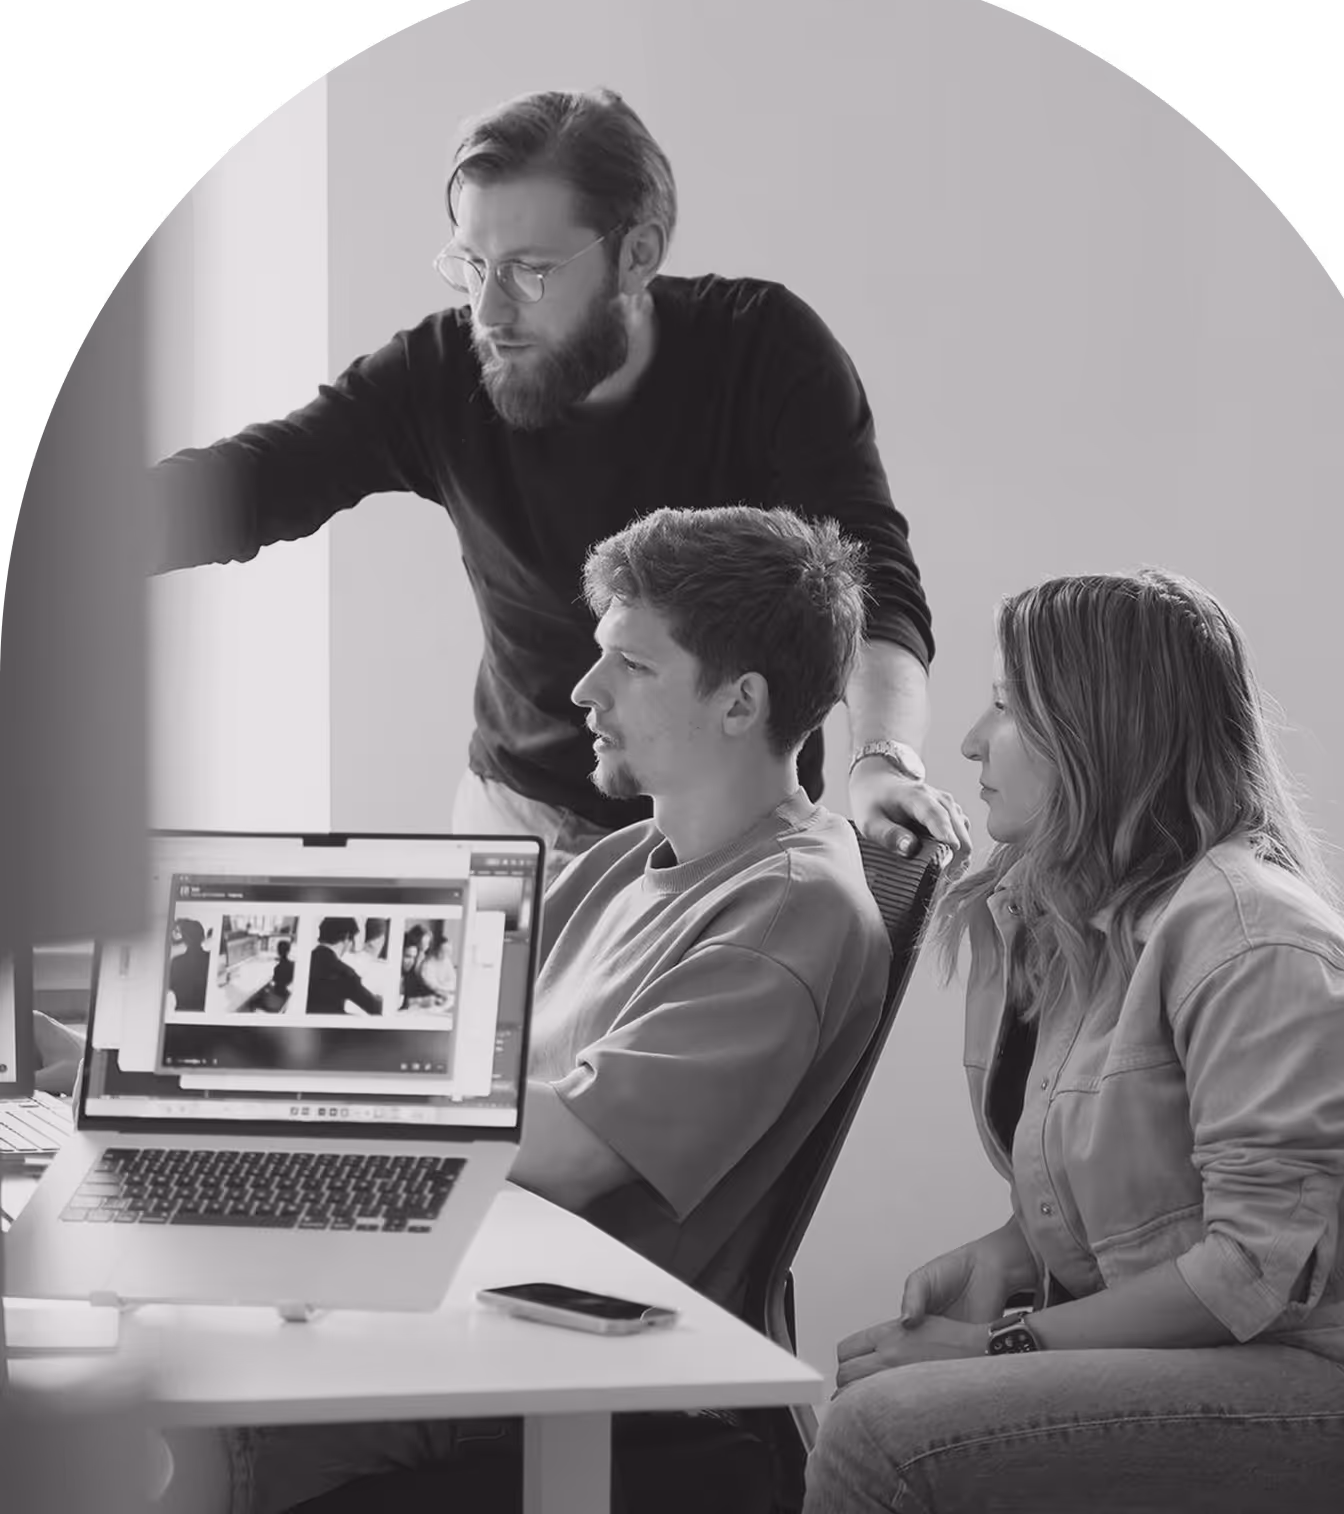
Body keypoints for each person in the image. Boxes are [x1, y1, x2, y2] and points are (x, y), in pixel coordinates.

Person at [187, 505, 902, 1514]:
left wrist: (290, 1089)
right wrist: (153, 1060)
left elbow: (569, 1150)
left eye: (632, 666)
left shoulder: (790, 908)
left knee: (175, 1406)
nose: (583, 691)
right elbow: (441, 1045)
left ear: (741, 702)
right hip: (472, 1297)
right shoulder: (621, 860)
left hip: (563, 1371)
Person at [149, 87, 971, 885]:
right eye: (472, 266)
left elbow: (871, 584)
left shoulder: (766, 355)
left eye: (529, 271)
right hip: (516, 824)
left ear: (636, 254)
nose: (489, 312)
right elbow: (257, 480)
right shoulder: (441, 372)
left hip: (726, 836)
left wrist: (881, 761)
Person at [803, 569, 1344, 1513]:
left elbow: (1246, 1274)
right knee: (886, 1405)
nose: (973, 741)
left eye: (1005, 709)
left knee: (884, 1439)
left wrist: (1004, 1345)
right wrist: (1008, 1254)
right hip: (1247, 1357)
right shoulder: (1075, 922)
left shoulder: (1255, 940)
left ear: (1098, 734)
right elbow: (1154, 1179)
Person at [305, 919, 383, 1017]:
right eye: (352, 941)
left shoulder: (302, 963)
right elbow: (375, 1008)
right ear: (346, 938)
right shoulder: (343, 973)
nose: (351, 946)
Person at [166, 919, 209, 1012]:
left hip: (183, 1012)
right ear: (203, 937)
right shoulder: (209, 958)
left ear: (185, 939)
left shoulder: (177, 962)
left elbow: (170, 987)